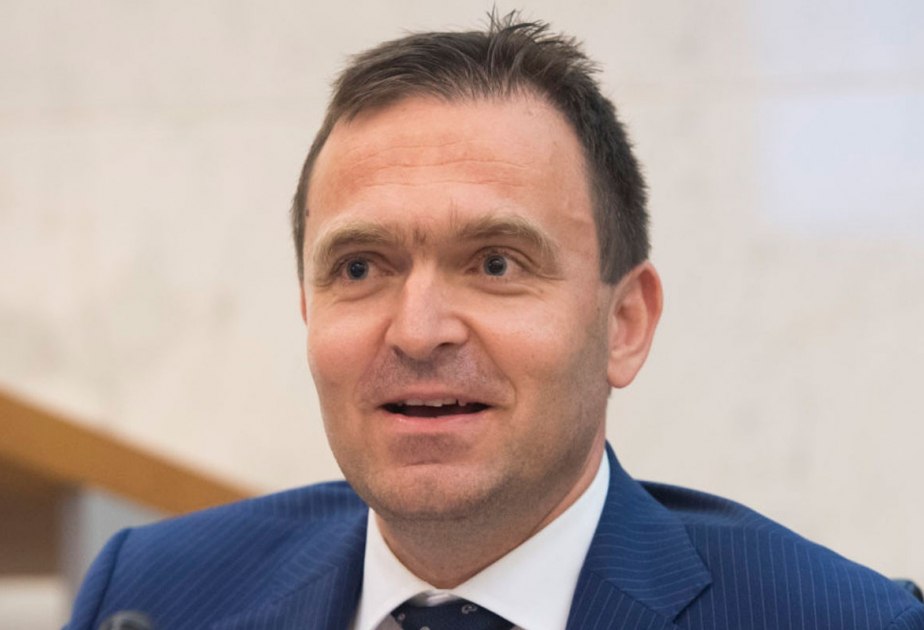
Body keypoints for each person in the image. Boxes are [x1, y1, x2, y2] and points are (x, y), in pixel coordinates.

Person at [67, 13, 924, 630]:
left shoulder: (839, 619)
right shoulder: (151, 596)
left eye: (496, 264)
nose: (418, 331)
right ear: (307, 308)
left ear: (625, 323)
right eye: (360, 268)